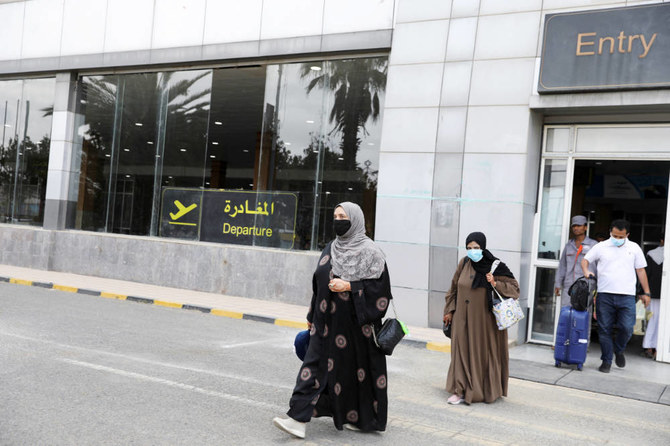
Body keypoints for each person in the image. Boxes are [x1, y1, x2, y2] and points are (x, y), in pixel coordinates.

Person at [273, 202, 392, 439]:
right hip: (325, 323)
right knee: (314, 367)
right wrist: (311, 315)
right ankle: (298, 418)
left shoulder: (371, 252)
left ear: (355, 219)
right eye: (335, 215)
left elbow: (381, 293)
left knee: (354, 372)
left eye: (343, 216)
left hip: (357, 328)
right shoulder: (331, 247)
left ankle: (359, 418)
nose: (338, 220)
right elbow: (318, 284)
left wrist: (349, 285)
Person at [442, 232, 520, 405]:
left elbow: (515, 289)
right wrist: (449, 310)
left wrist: (495, 283)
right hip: (462, 318)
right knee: (461, 352)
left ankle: (484, 390)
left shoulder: (495, 266)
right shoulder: (464, 263)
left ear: (483, 247)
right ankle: (460, 390)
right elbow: (453, 289)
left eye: (476, 248)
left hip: (485, 321)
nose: (472, 251)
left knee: (480, 355)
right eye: (469, 248)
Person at [581, 219, 651, 373]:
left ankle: (618, 350)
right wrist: (586, 272)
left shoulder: (634, 248)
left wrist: (646, 292)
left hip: (627, 296)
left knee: (626, 328)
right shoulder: (601, 246)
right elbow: (585, 260)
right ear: (610, 232)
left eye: (621, 237)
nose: (617, 239)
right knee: (604, 329)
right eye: (615, 236)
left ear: (627, 235)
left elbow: (641, 270)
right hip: (604, 295)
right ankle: (606, 360)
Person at [554, 215, 597, 307]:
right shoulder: (569, 245)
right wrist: (558, 283)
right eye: (574, 226)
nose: (576, 228)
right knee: (567, 312)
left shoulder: (593, 245)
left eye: (579, 225)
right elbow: (562, 266)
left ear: (585, 227)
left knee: (583, 314)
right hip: (569, 286)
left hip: (586, 286)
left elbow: (599, 267)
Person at [642, 236, 663, 359]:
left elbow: (646, 273)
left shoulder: (652, 254)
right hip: (664, 294)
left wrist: (644, 292)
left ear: (661, 240)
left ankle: (649, 346)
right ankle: (659, 348)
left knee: (652, 320)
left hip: (653, 293)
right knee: (664, 322)